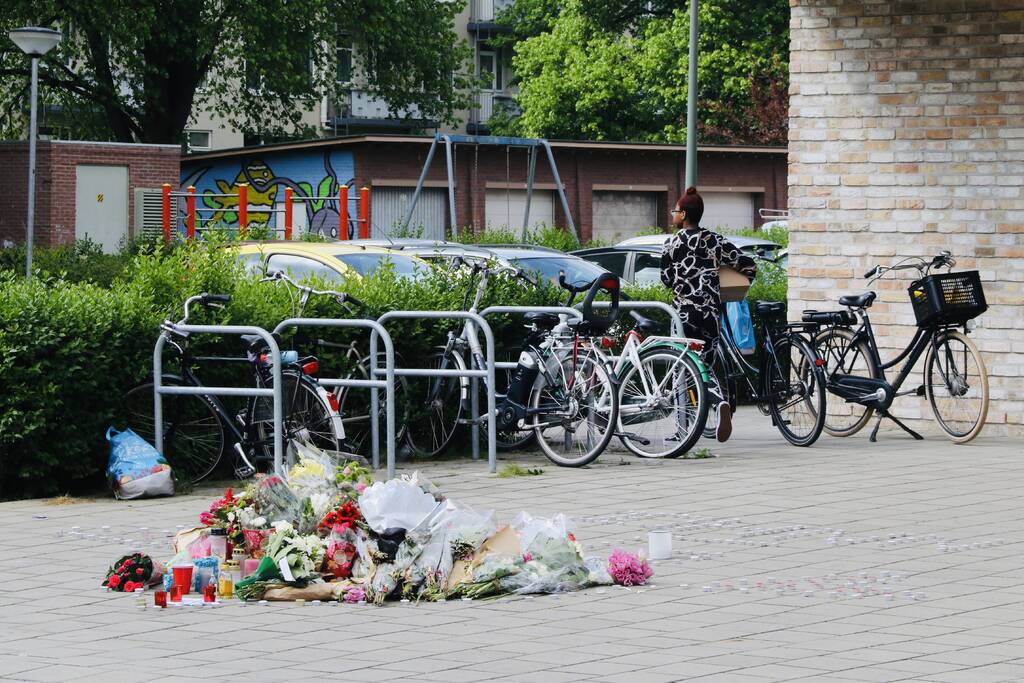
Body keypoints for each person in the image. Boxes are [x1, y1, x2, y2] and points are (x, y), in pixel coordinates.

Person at [660, 186, 757, 442]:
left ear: (683, 214)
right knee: (705, 367)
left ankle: (684, 428)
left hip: (683, 315)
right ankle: (718, 402)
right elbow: (747, 264)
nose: (673, 215)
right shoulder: (715, 240)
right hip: (710, 314)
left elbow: (666, 279)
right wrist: (731, 285)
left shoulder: (671, 243)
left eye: (675, 211)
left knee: (682, 369)